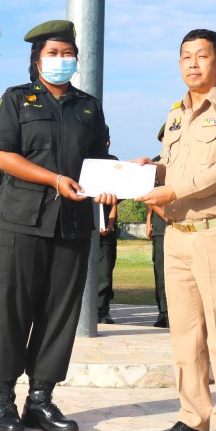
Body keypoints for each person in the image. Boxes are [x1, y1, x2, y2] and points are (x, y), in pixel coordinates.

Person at [0, 19, 115, 431]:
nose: (61, 60)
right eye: (53, 53)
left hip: (72, 225)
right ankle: (2, 402)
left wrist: (118, 179)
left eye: (68, 54)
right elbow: (2, 155)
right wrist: (53, 179)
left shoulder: (89, 106)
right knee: (13, 311)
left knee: (60, 314)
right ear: (37, 59)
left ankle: (40, 399)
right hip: (22, 222)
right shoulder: (16, 99)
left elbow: (98, 162)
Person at [137, 29, 216, 431]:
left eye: (201, 56)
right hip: (177, 235)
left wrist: (173, 190)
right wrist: (147, 171)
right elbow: (172, 166)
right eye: (185, 56)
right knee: (185, 335)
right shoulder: (175, 115)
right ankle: (194, 417)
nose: (192, 63)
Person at [146, 124, 169, 328]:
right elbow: (149, 197)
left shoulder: (187, 161)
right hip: (163, 225)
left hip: (187, 223)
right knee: (161, 270)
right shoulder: (154, 164)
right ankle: (163, 312)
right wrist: (149, 222)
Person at [97, 128, 119, 325]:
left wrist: (110, 224)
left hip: (106, 230)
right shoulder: (83, 161)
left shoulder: (113, 162)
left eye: (105, 139)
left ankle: (102, 310)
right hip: (83, 228)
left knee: (104, 272)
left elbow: (114, 201)